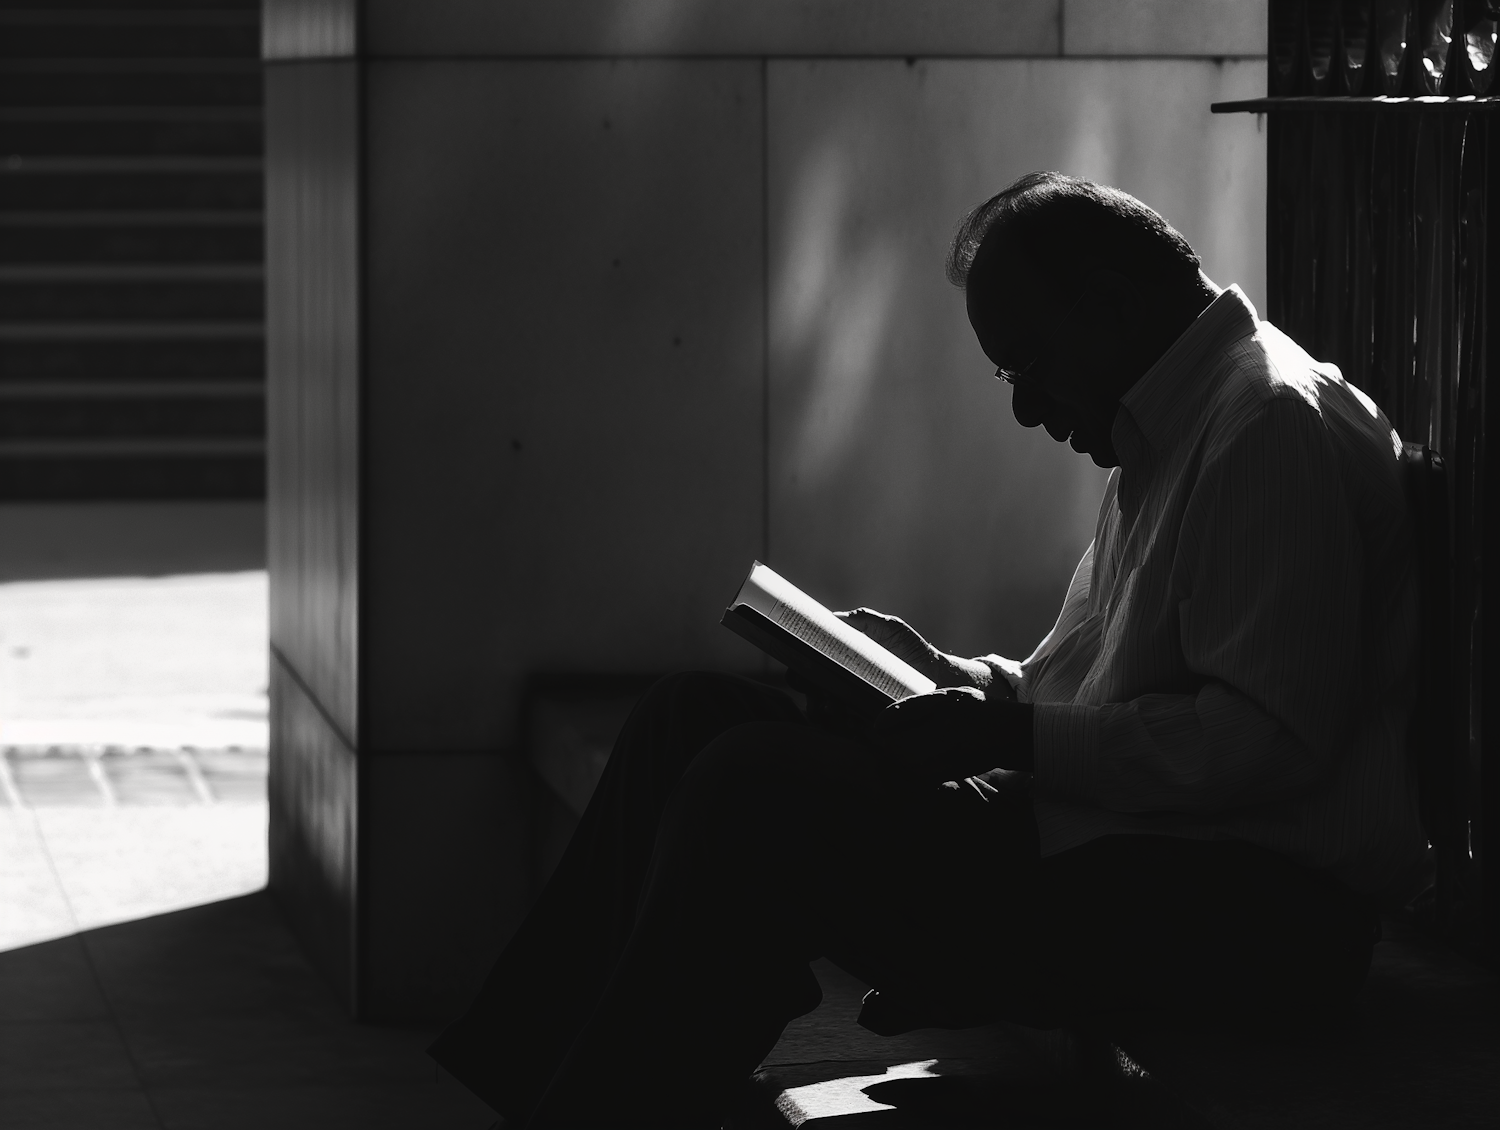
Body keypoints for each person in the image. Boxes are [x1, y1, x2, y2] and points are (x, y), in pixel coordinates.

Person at [429, 172, 1430, 1128]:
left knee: (756, 790)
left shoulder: (1262, 429)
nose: (1027, 410)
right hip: (1139, 851)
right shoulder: (1176, 414)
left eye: (1028, 365)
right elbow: (1090, 684)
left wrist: (1011, 735)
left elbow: (1265, 741)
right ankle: (537, 1097)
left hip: (1242, 913)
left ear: (1111, 302)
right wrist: (954, 679)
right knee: (689, 715)